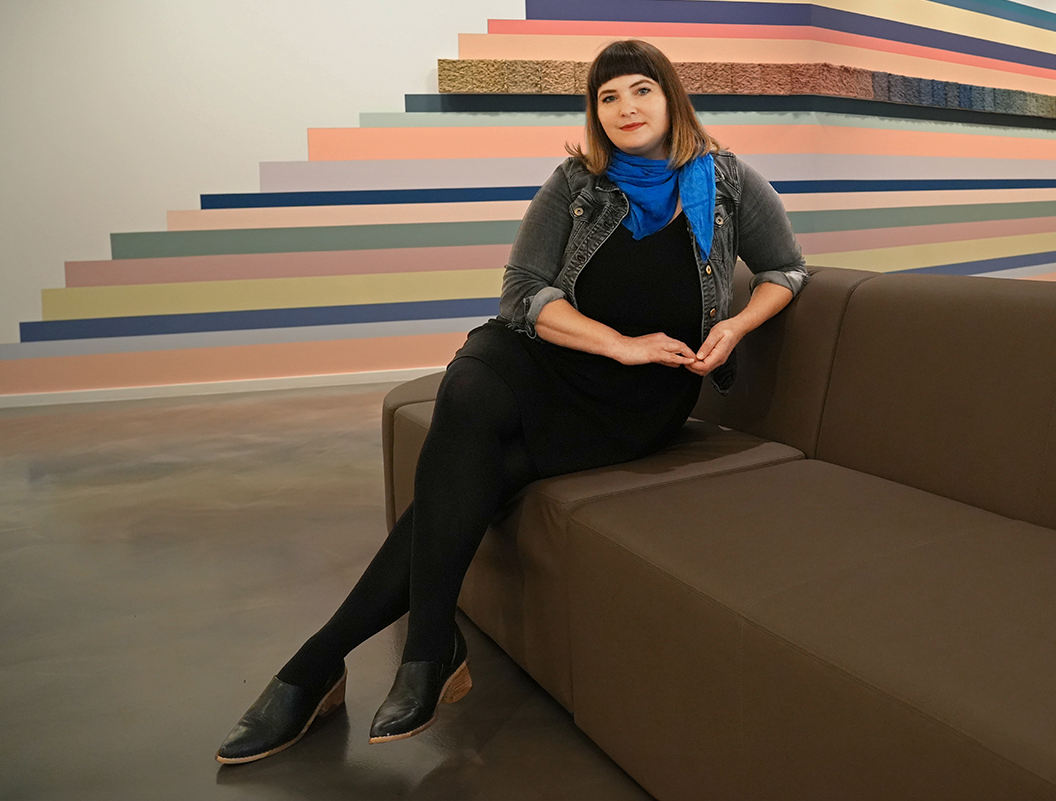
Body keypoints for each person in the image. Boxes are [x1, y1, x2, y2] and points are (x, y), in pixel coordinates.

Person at [215, 39, 808, 764]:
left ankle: (320, 665)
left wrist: (734, 326)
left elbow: (785, 270)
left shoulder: (731, 180)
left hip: (636, 399)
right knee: (467, 385)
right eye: (608, 97)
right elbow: (523, 292)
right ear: (594, 112)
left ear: (671, 98)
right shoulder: (576, 182)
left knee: (468, 477)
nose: (625, 107)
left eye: (640, 90)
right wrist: (618, 342)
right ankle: (427, 647)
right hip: (550, 359)